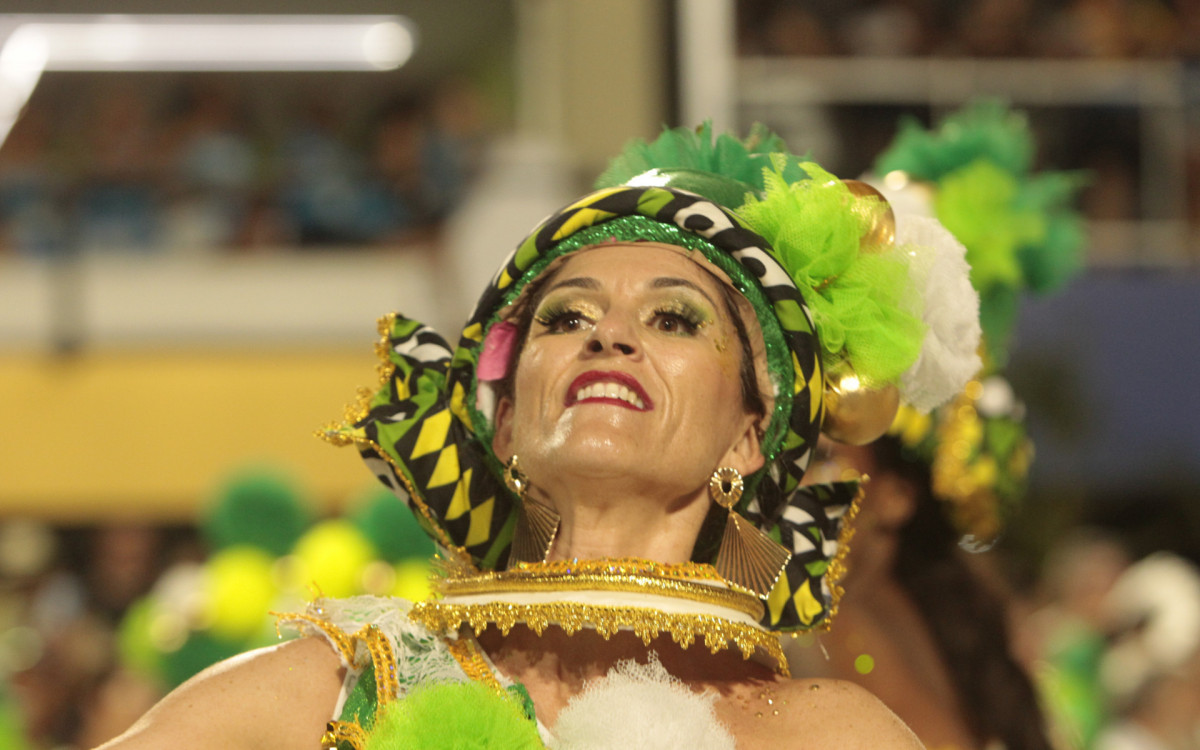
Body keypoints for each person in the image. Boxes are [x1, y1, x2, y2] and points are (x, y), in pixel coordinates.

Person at [97, 124, 978, 749]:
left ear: (751, 436)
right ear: (507, 418)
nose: (610, 335)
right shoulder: (327, 693)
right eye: (566, 317)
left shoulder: (827, 736)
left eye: (674, 319)